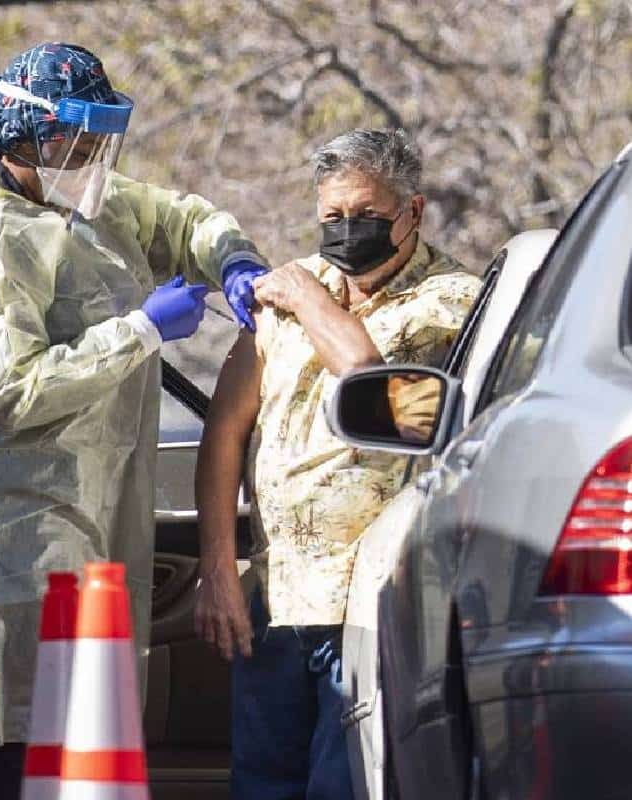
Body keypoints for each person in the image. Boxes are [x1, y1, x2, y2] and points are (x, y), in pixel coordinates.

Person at [0, 42, 268, 799]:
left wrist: (233, 261)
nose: (91, 159)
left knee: (87, 726)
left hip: (82, 504)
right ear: (21, 140)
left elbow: (178, 218)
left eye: (97, 143)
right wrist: (142, 331)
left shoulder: (83, 203)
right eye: (75, 144)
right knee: (24, 725)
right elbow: (14, 391)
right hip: (8, 521)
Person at [193, 128, 482, 799]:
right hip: (279, 595)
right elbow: (226, 432)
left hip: (372, 604)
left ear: (413, 211)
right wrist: (218, 569)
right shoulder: (289, 296)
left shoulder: (449, 299)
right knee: (263, 785)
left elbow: (366, 374)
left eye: (366, 217)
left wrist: (307, 298)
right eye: (332, 217)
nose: (347, 232)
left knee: (341, 785)